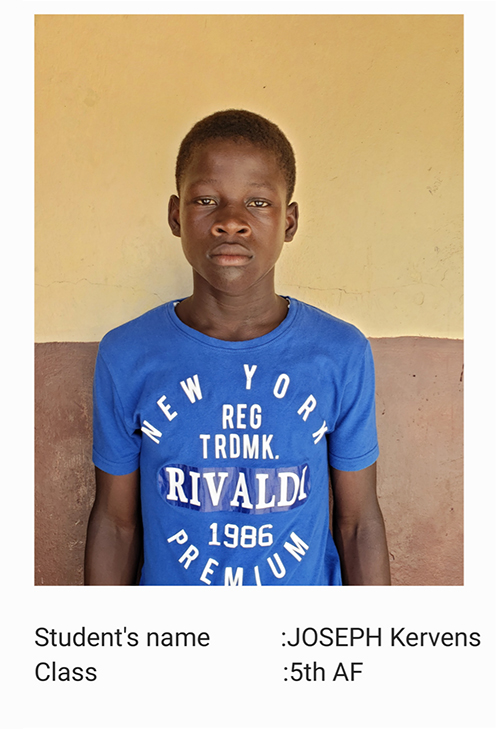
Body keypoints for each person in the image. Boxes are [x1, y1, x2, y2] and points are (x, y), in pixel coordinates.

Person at [85, 109, 391, 586]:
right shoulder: (127, 355)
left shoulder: (339, 352)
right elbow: (116, 525)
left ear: (289, 222)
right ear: (175, 215)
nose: (232, 222)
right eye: (207, 199)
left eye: (258, 203)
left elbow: (358, 525)